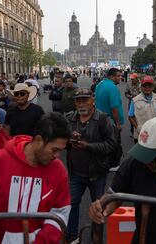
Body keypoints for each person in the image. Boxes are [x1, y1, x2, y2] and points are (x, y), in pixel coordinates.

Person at [0, 113, 72, 243]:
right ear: (38, 140)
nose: (57, 155)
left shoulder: (59, 171)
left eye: (60, 150)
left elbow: (60, 212)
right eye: (54, 150)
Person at [65, 88, 117, 242]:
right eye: (78, 100)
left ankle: (96, 238)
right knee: (71, 205)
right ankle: (72, 238)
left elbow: (111, 145)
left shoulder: (103, 119)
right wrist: (69, 139)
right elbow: (60, 141)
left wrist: (88, 146)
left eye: (85, 100)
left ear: (92, 100)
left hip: (97, 174)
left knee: (97, 209)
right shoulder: (70, 119)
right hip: (76, 173)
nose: (81, 104)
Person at [128, 76, 156, 143]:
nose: (147, 88)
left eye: (149, 86)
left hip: (155, 134)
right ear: (141, 87)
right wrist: (138, 128)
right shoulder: (135, 100)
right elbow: (130, 116)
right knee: (141, 153)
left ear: (153, 87)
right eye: (145, 86)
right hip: (141, 135)